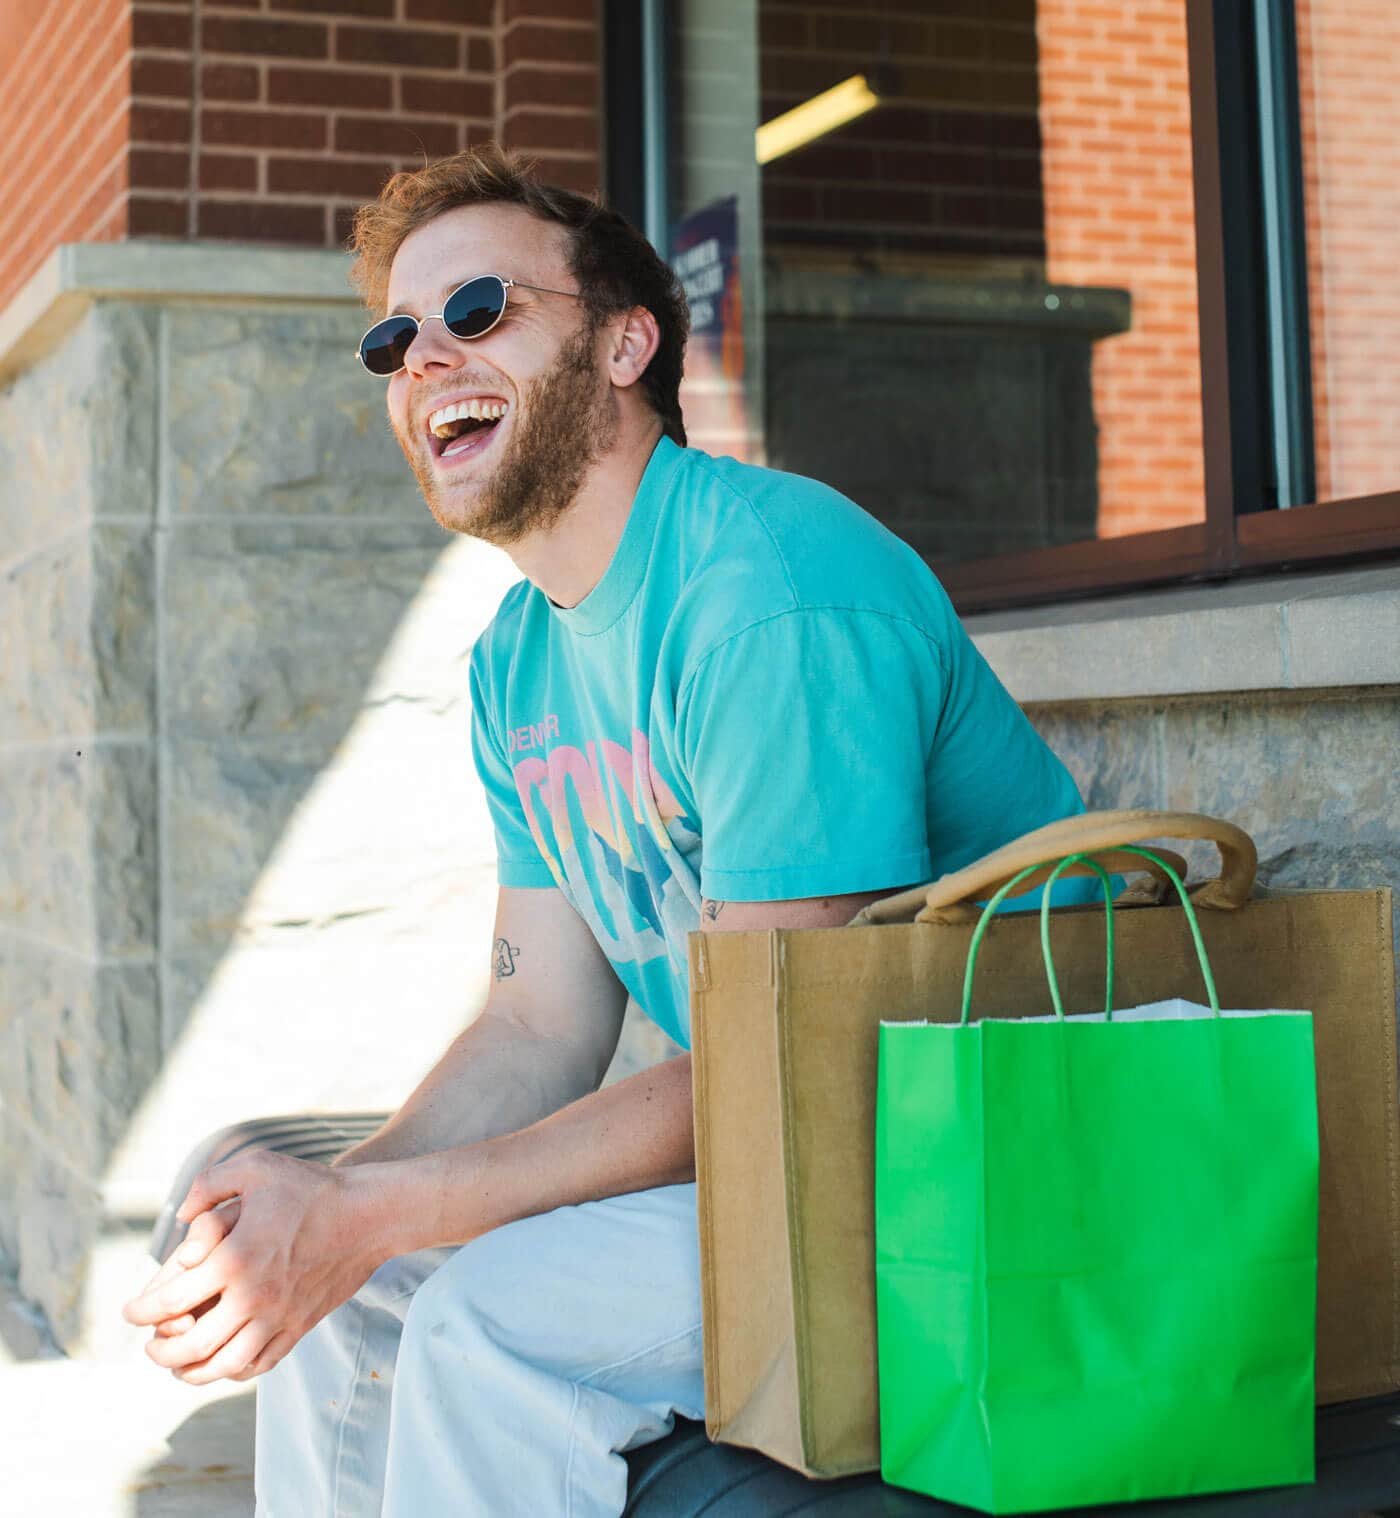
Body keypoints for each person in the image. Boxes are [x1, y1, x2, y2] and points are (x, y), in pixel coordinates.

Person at [122, 145, 1088, 1516]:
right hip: (813, 1142)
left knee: (485, 1314)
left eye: (481, 313)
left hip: (992, 1163)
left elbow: (777, 1053)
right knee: (355, 1290)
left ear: (628, 343)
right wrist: (315, 1204)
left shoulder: (770, 589)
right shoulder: (519, 661)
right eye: (395, 339)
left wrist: (368, 1211)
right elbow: (536, 1025)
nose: (424, 362)